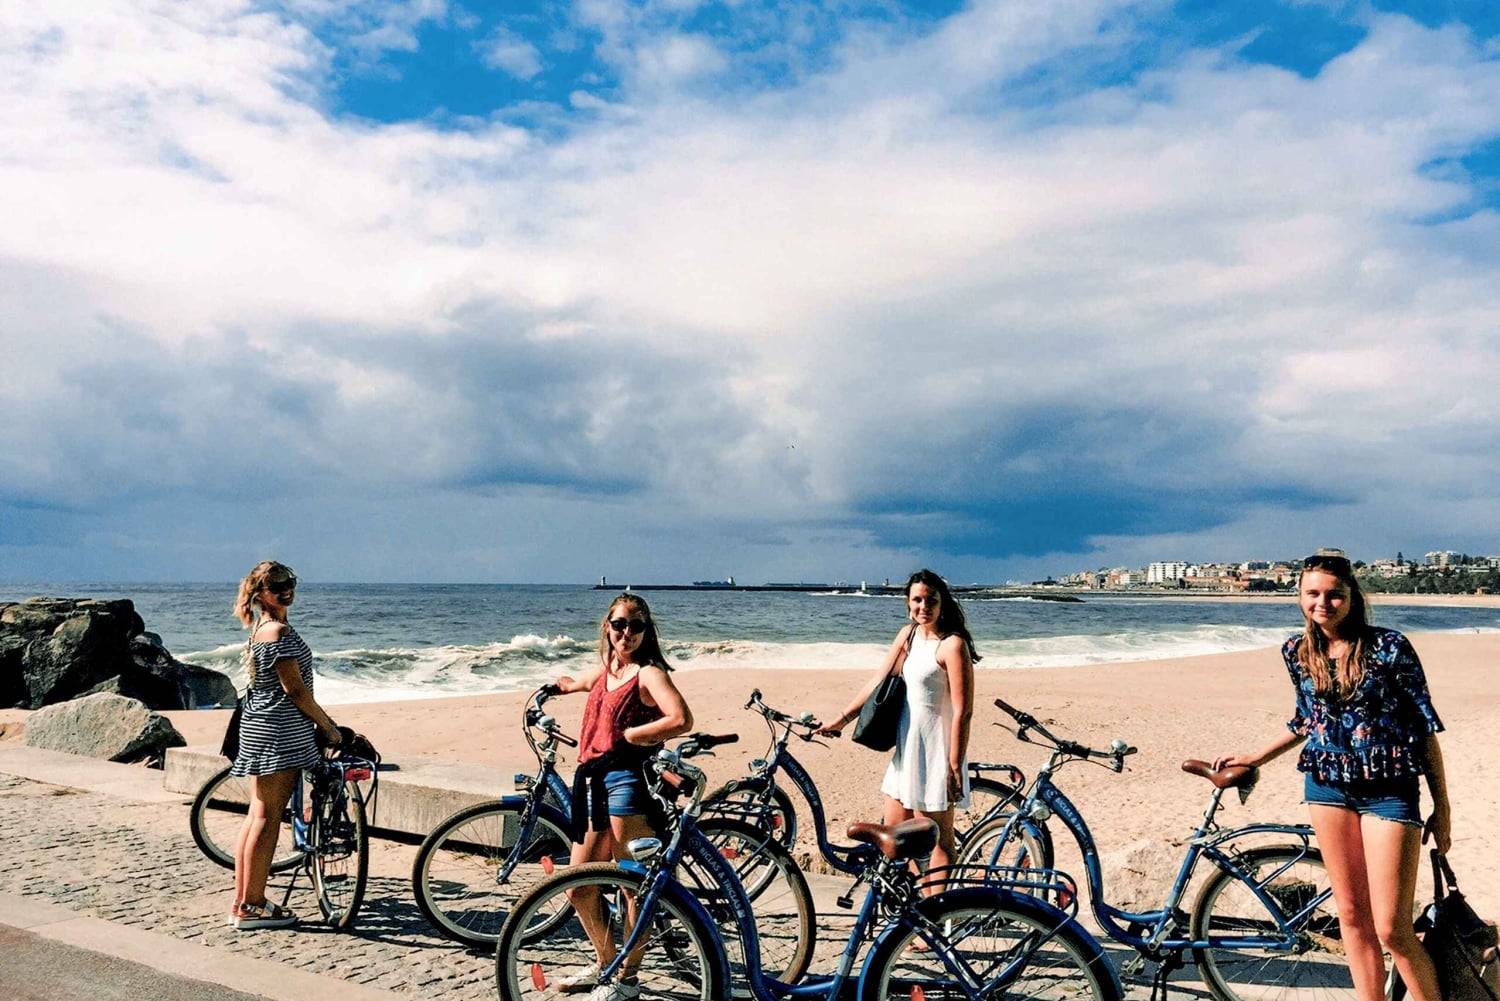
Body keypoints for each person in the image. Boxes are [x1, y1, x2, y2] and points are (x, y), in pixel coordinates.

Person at [1214, 552, 1451, 1001]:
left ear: (1352, 598)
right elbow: (1307, 721)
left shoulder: (1389, 647)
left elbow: (1423, 729)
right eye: (1313, 594)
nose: (1323, 603)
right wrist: (1254, 758)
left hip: (1389, 792)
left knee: (1393, 929)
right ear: (1300, 597)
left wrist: (1444, 807)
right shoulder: (1297, 652)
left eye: (1334, 595)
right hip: (1326, 787)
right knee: (1351, 917)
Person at [549, 593, 694, 1001]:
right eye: (618, 625)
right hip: (593, 781)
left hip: (627, 785)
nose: (625, 633)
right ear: (607, 627)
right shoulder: (608, 669)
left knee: (632, 886)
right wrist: (559, 687)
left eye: (635, 626)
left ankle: (627, 980)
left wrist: (634, 736)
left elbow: (681, 719)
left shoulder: (649, 674)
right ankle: (606, 964)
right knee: (579, 887)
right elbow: (582, 683)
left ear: (646, 632)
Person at [819, 569, 977, 886]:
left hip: (937, 751)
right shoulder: (907, 636)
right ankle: (909, 914)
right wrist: (841, 718)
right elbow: (878, 681)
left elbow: (964, 711)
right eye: (916, 600)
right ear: (908, 603)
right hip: (906, 750)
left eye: (931, 599)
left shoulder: (952, 645)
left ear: (943, 602)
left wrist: (955, 764)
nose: (923, 607)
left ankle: (935, 920)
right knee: (897, 838)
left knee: (937, 841)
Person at [227, 561, 343, 930]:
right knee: (267, 816)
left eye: (290, 581)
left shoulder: (261, 628)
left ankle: (242, 900)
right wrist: (328, 727)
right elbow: (295, 691)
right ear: (260, 593)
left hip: (259, 725)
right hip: (279, 730)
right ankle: (253, 906)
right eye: (277, 585)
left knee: (256, 815)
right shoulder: (278, 632)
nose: (286, 589)